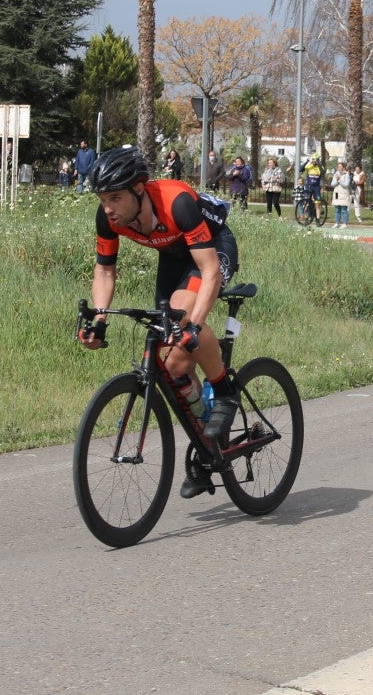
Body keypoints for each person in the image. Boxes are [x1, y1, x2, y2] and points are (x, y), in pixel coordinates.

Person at [77, 146, 240, 499]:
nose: (108, 207)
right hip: (173, 256)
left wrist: (194, 325)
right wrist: (99, 319)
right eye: (103, 198)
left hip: (212, 249)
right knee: (173, 361)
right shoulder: (107, 218)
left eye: (116, 197)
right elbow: (105, 269)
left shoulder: (176, 201)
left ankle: (225, 391)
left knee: (182, 320)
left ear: (140, 189)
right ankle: (208, 448)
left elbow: (209, 270)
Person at [330, 161, 352, 228]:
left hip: (344, 193)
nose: (339, 168)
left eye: (340, 167)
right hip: (337, 193)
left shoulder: (346, 175)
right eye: (338, 166)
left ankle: (345, 223)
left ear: (343, 168)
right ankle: (337, 223)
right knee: (337, 209)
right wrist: (337, 180)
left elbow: (346, 185)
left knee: (344, 209)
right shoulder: (336, 174)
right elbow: (332, 184)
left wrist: (340, 180)